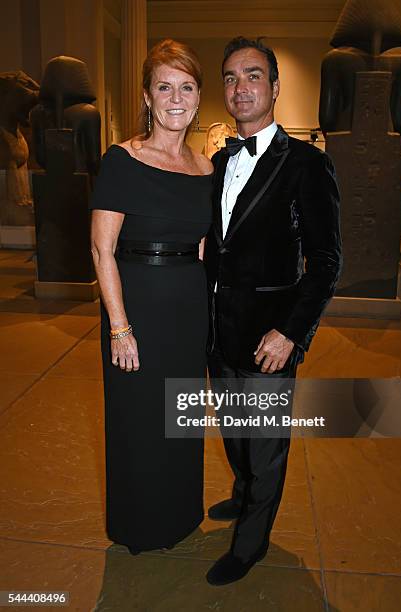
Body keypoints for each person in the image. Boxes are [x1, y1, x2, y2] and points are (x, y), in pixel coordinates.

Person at [204, 37, 342, 585]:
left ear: (275, 88)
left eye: (253, 75)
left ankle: (252, 542)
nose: (241, 87)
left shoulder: (307, 164)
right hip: (219, 334)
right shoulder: (215, 163)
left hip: (270, 339)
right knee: (234, 433)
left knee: (265, 447)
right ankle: (243, 496)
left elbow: (326, 261)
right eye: (231, 77)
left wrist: (291, 332)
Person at [89, 39, 213, 555]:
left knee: (180, 417)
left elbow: (204, 246)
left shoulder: (206, 168)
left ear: (199, 96)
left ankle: (180, 515)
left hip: (187, 311)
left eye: (186, 86)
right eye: (165, 86)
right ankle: (140, 526)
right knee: (139, 422)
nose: (176, 97)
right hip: (136, 311)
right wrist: (120, 326)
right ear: (147, 97)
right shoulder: (122, 160)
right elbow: (102, 248)